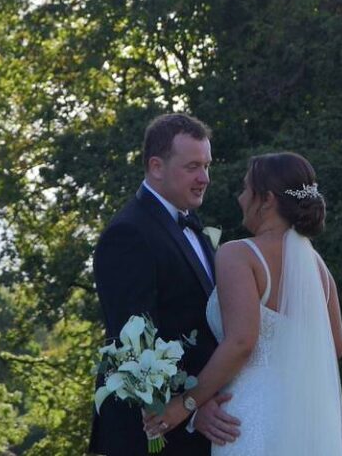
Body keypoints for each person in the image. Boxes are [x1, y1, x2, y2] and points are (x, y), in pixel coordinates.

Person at [141, 151, 342, 455]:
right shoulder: (318, 268)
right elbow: (336, 346)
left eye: (245, 189)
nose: (240, 198)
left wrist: (185, 404)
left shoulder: (239, 254)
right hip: (304, 421)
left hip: (249, 418)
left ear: (266, 200)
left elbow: (241, 342)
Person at [90, 113, 243, 455]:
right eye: (192, 167)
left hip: (195, 431)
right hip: (150, 436)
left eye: (207, 166)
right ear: (156, 167)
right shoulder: (128, 234)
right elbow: (133, 344)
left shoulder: (191, 223)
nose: (204, 178)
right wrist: (190, 407)